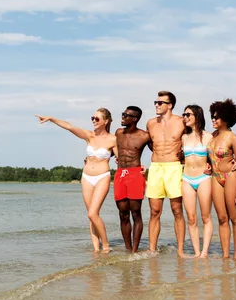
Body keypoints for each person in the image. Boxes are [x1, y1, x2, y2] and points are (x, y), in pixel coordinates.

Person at [36, 108, 117, 253]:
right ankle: (96, 249)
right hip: (86, 177)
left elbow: (122, 158)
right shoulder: (89, 135)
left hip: (102, 177)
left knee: (93, 213)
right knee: (91, 216)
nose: (93, 120)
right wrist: (51, 118)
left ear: (106, 121)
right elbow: (69, 126)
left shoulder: (113, 139)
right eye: (92, 117)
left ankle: (106, 245)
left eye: (97, 118)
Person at [146, 91, 186, 257]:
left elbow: (199, 137)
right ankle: (152, 249)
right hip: (155, 167)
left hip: (174, 167)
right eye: (156, 102)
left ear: (170, 105)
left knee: (177, 210)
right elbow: (147, 142)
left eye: (160, 102)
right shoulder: (150, 123)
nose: (156, 105)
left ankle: (181, 251)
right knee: (154, 211)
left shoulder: (181, 122)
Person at [207, 99, 236, 260]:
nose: (214, 120)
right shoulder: (212, 137)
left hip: (231, 176)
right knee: (222, 218)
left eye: (217, 117)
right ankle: (225, 256)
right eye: (212, 117)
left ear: (227, 118)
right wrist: (208, 166)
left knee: (235, 218)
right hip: (215, 177)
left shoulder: (233, 138)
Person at [114, 106, 151, 253]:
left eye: (126, 115)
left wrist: (148, 168)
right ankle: (127, 249)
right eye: (123, 114)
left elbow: (158, 151)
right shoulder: (118, 133)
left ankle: (135, 251)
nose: (122, 117)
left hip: (135, 174)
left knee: (136, 213)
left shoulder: (144, 136)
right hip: (120, 174)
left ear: (134, 119)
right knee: (123, 214)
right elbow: (112, 149)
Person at [181, 104, 214, 258]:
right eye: (184, 114)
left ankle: (205, 252)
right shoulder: (184, 137)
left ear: (197, 116)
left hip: (203, 178)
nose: (185, 117)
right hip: (186, 178)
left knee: (205, 216)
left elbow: (217, 158)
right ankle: (196, 252)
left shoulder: (208, 137)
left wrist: (215, 168)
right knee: (191, 217)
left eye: (188, 114)